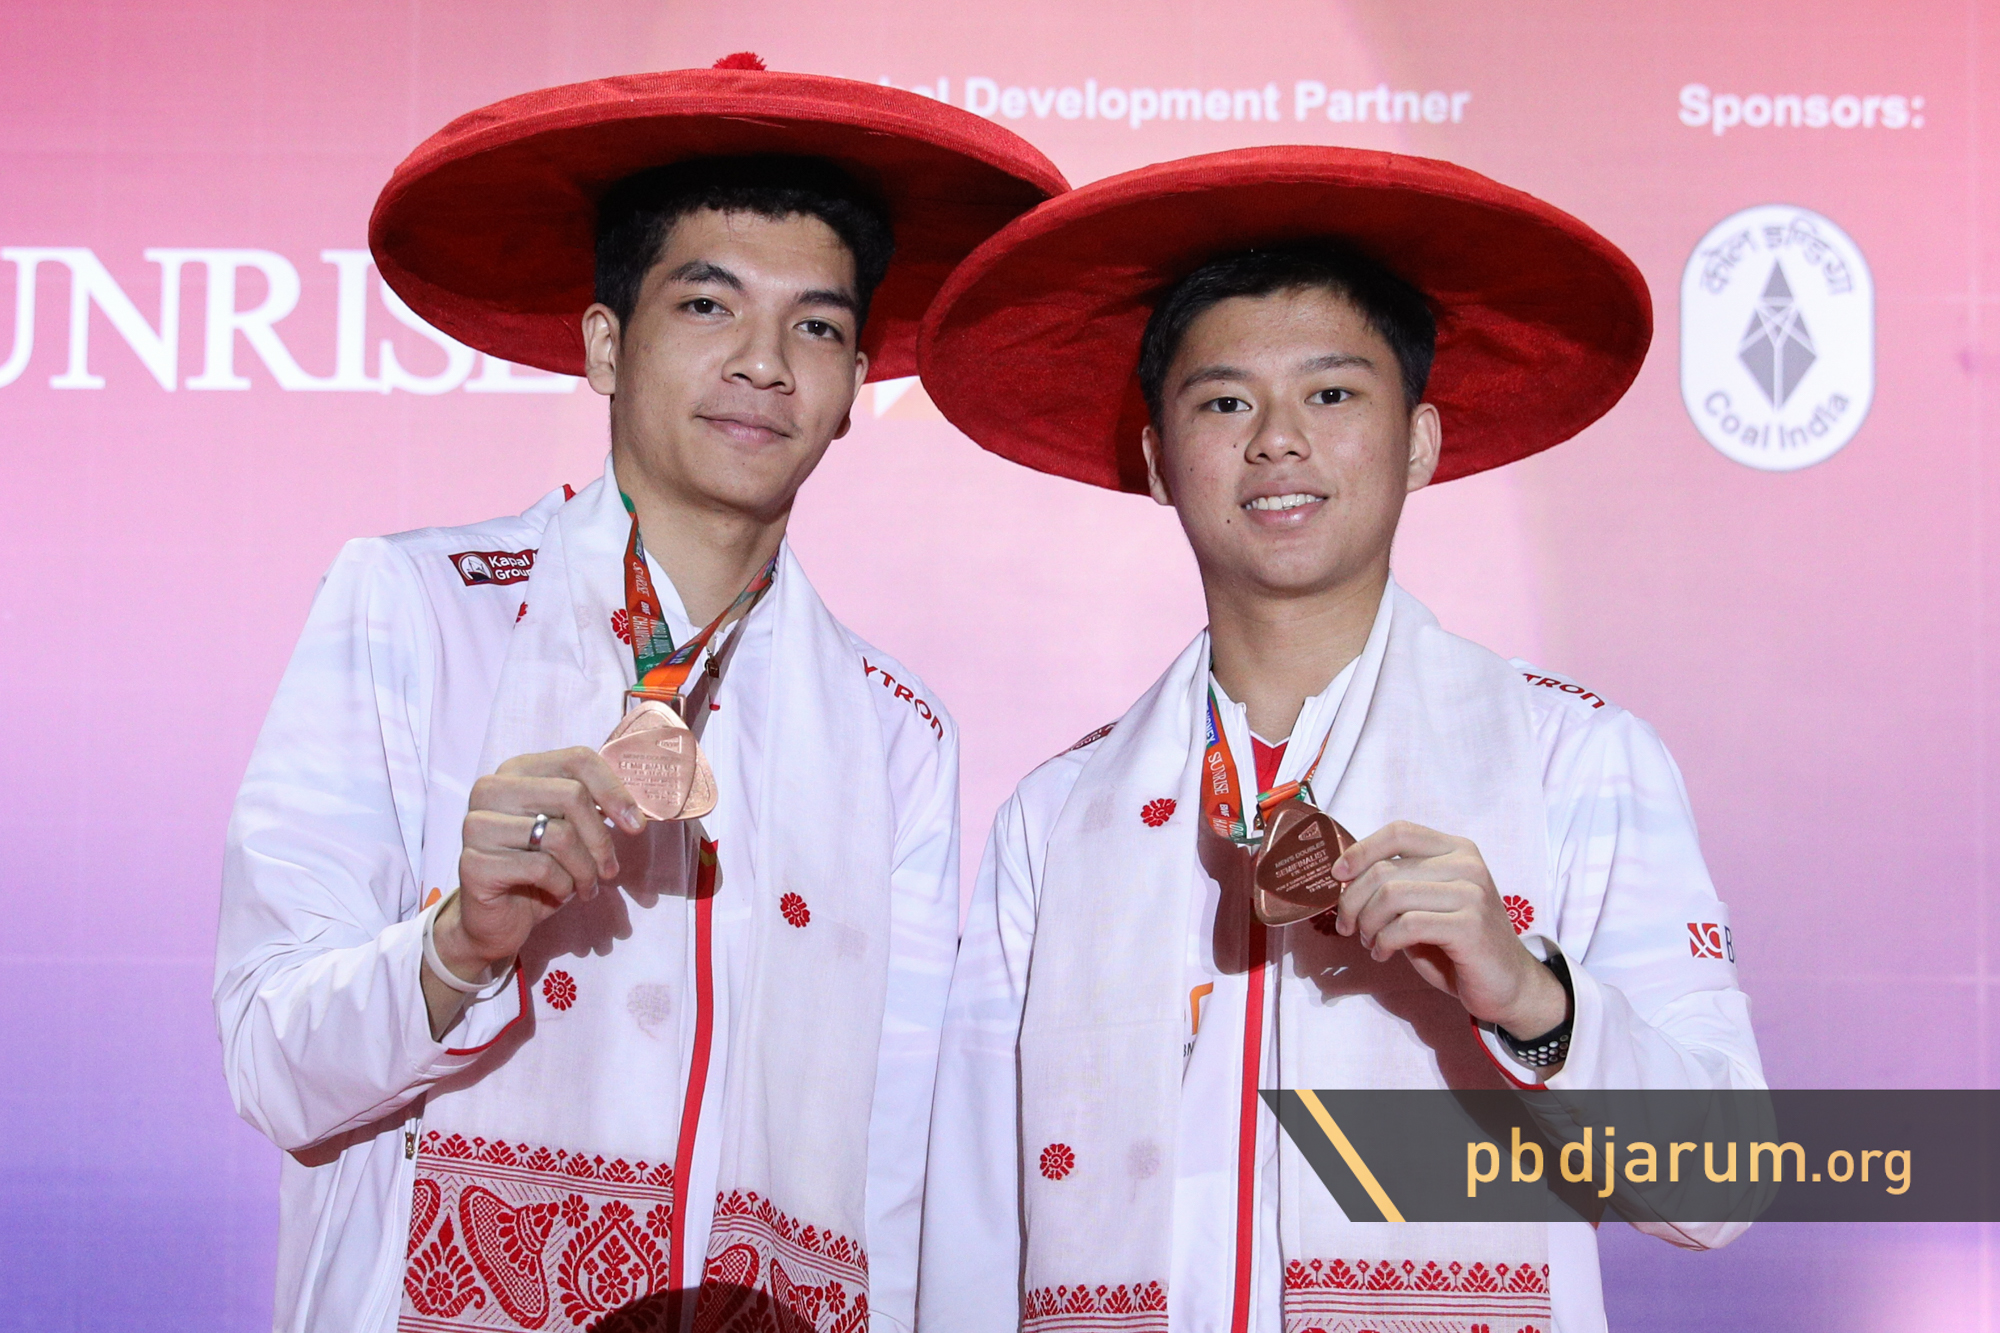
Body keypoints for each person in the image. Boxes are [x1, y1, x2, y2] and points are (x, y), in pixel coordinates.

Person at [214, 57, 1063, 1333]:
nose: (764, 363)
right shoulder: (417, 607)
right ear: (606, 344)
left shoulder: (896, 731)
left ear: (854, 388)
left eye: (815, 327)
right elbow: (272, 1061)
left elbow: (891, 1164)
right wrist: (456, 946)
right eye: (708, 305)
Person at [915, 147, 1764, 1333]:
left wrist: (1528, 993)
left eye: (1329, 395)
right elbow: (970, 1213)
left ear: (1417, 441)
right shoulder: (1058, 814)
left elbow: (1721, 1185)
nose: (1276, 440)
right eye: (1223, 402)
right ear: (1157, 461)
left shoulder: (1573, 758)